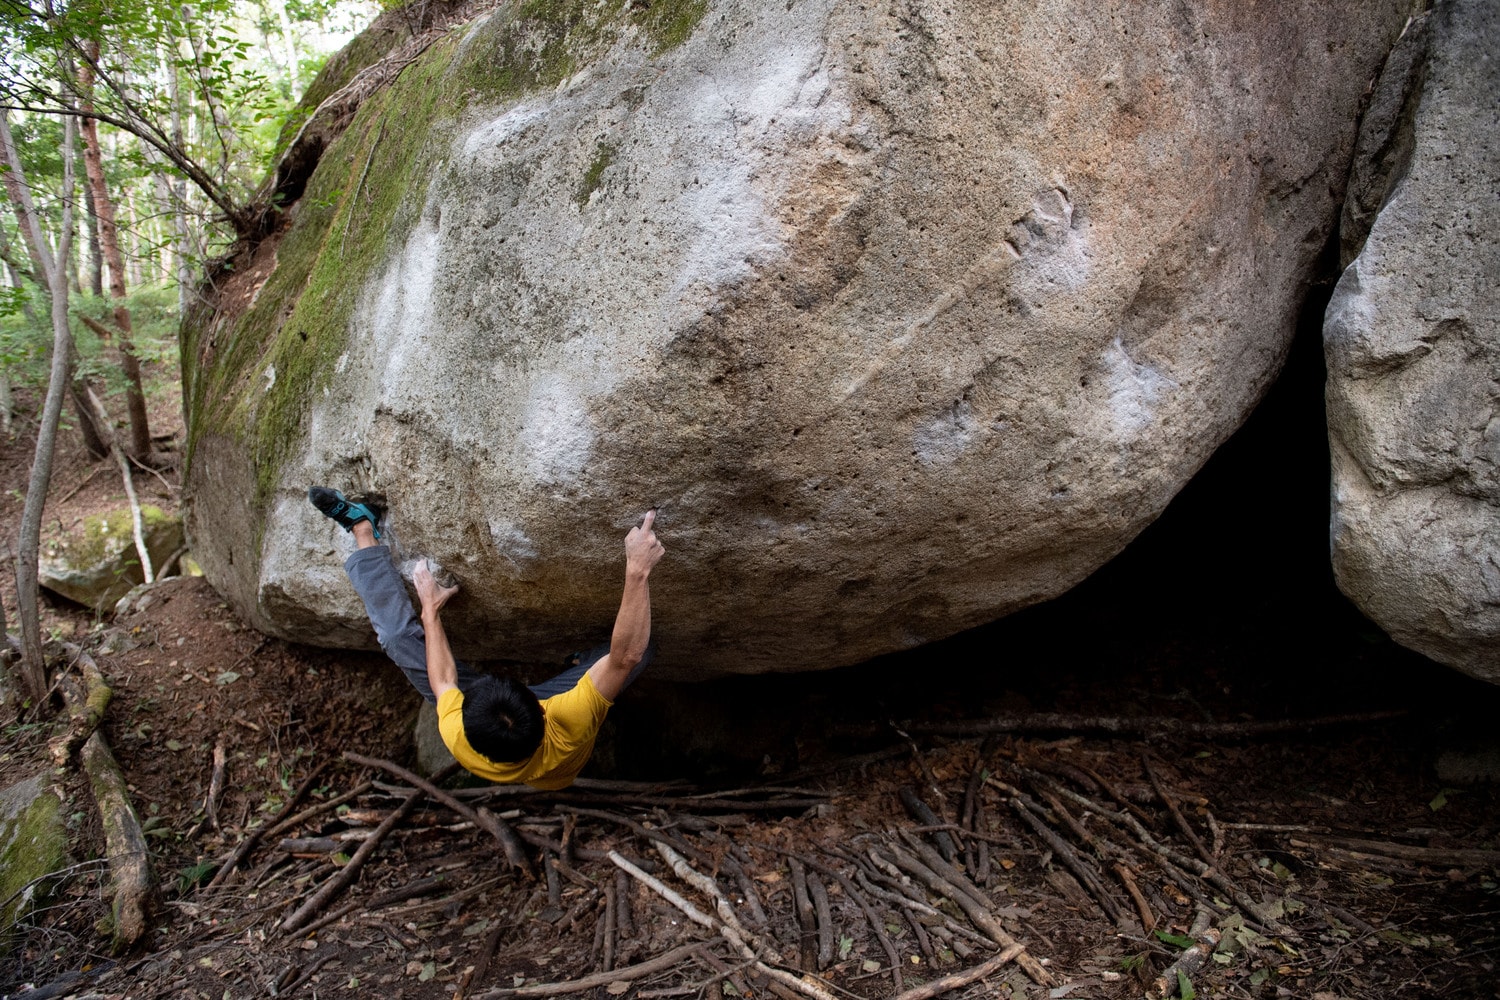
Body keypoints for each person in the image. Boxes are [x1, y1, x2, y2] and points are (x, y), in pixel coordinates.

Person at [308, 487, 665, 789]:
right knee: (642, 650)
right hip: (554, 769)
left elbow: (444, 680)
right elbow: (627, 655)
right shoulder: (567, 722)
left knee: (398, 640)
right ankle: (578, 665)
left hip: (498, 725)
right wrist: (637, 570)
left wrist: (430, 611)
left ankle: (362, 528)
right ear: (543, 710)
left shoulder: (458, 732)